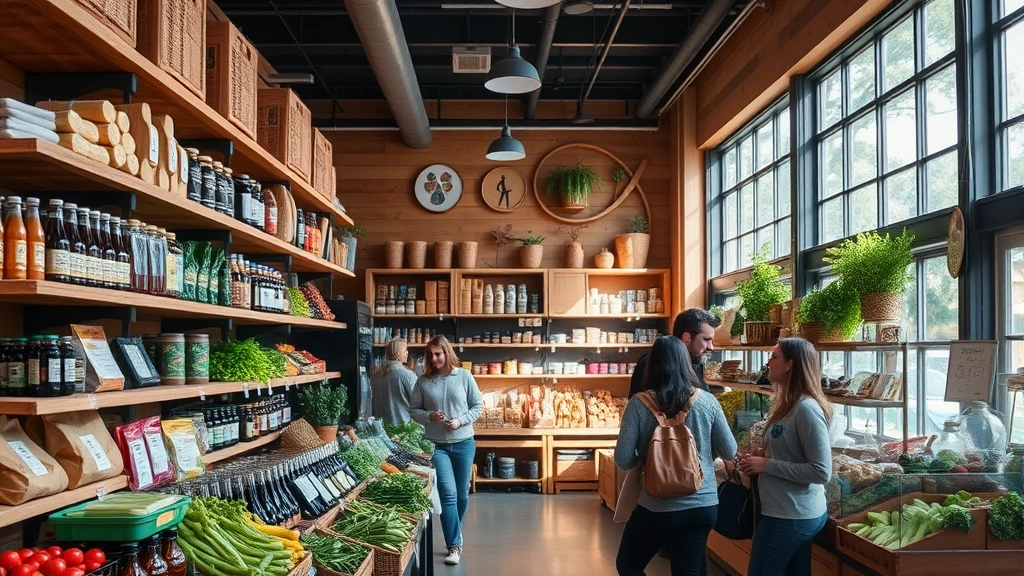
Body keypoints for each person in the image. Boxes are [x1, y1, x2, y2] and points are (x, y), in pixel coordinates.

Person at [614, 336, 737, 576]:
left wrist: (649, 455)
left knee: (629, 565)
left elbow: (623, 458)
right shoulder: (708, 401)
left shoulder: (638, 404)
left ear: (653, 364)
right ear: (686, 363)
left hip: (657, 506)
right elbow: (730, 451)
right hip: (703, 504)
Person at [738, 338, 833, 576]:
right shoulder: (788, 404)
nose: (768, 361)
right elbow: (793, 452)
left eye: (773, 356)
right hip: (788, 512)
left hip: (789, 516)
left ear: (790, 364)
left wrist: (768, 465)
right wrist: (766, 456)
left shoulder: (806, 409)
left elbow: (821, 472)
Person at [409, 335, 483, 567]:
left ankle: (456, 533)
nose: (434, 358)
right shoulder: (423, 381)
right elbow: (413, 410)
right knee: (448, 495)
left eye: (438, 354)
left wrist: (460, 421)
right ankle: (454, 545)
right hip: (436, 445)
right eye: (430, 354)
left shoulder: (464, 376)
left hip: (463, 443)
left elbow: (477, 406)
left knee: (462, 495)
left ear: (447, 353)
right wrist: (429, 416)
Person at [629, 308, 720, 397]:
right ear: (687, 337)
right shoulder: (653, 363)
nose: (711, 347)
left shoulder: (695, 360)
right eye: (706, 340)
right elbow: (639, 406)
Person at [371, 337, 418, 426]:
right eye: (405, 350)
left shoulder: (377, 375)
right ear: (397, 353)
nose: (407, 353)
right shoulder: (406, 374)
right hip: (403, 430)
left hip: (382, 430)